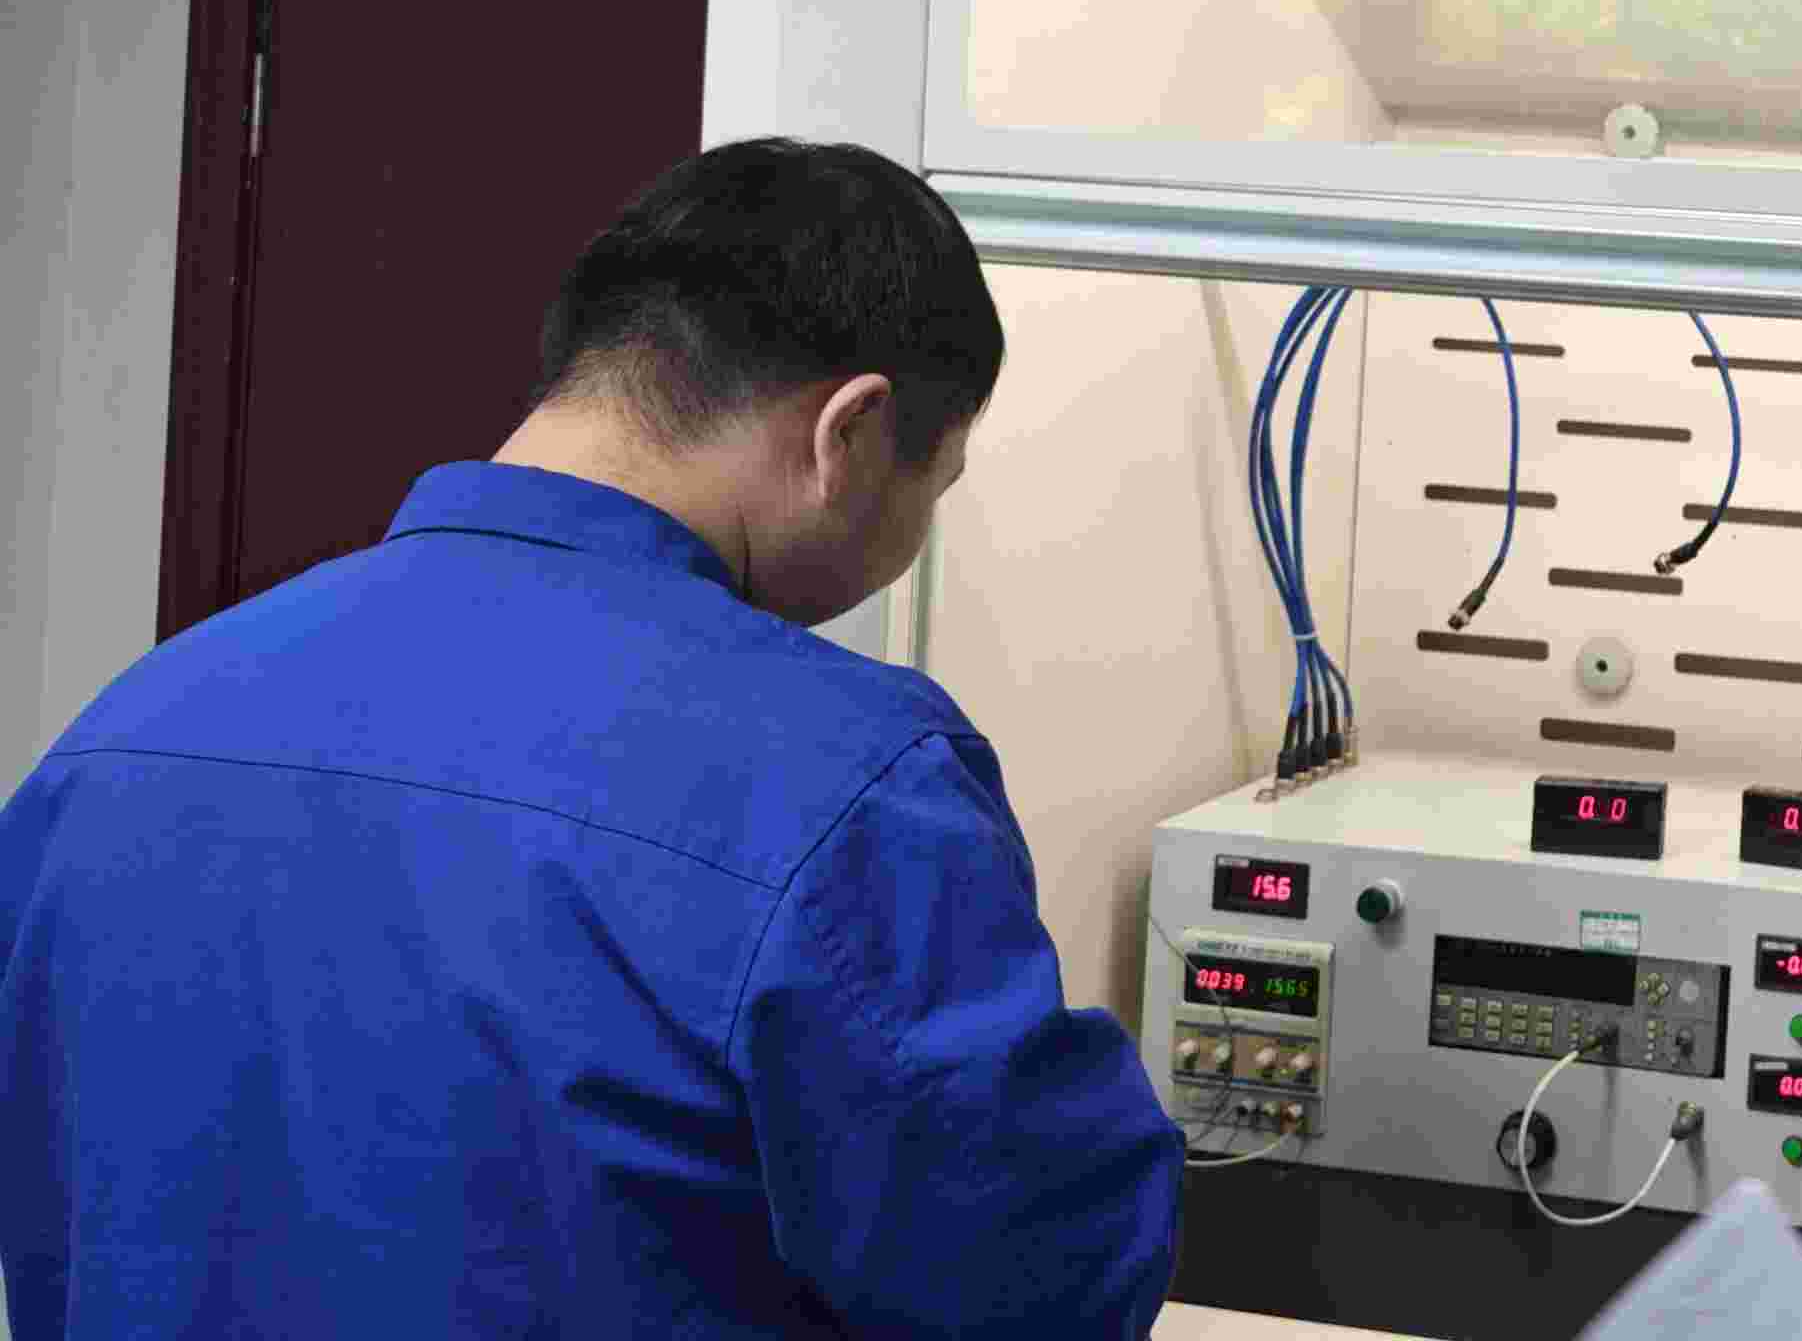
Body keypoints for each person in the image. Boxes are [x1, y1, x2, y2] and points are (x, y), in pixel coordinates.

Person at [0, 139, 1181, 1338]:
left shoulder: (120, 737)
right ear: (854, 432)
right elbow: (1043, 1287)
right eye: (938, 484)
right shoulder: (845, 782)